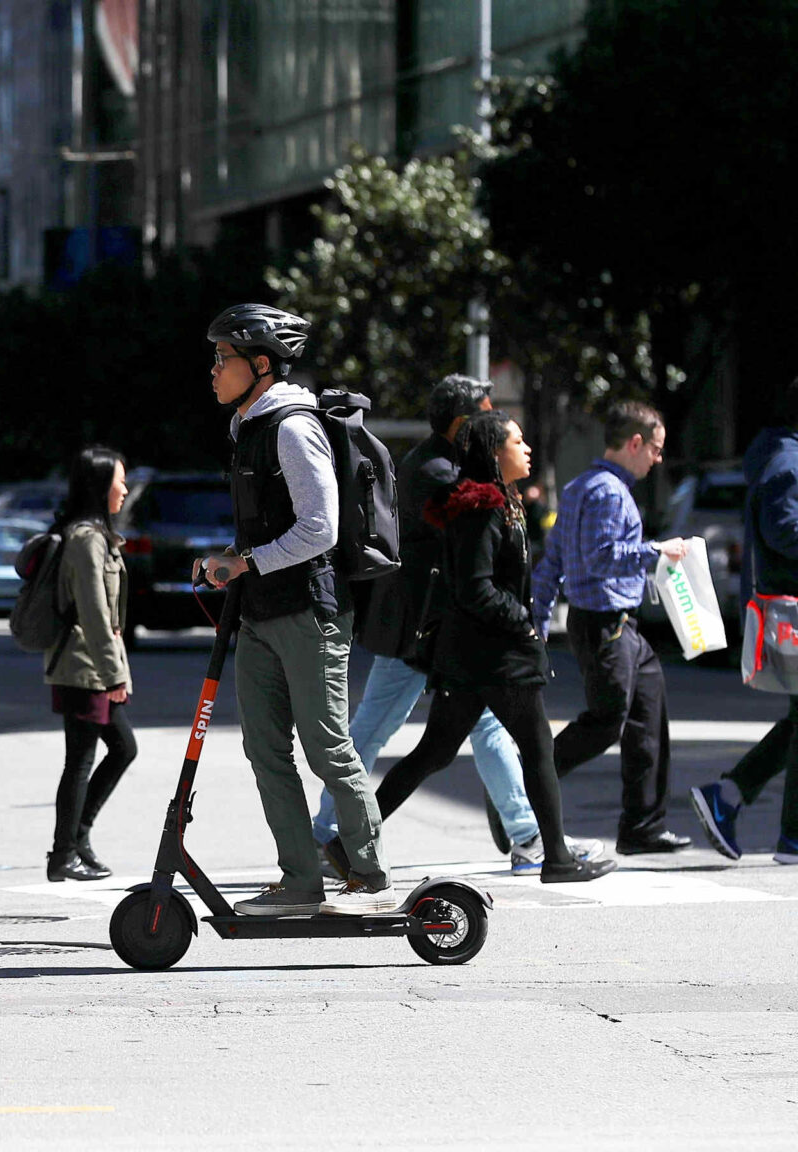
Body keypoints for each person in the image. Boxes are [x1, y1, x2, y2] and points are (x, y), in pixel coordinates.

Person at [311, 375, 596, 874]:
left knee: (457, 742)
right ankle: (330, 834)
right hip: (432, 632)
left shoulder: (464, 478)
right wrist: (523, 626)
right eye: (497, 422)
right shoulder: (457, 485)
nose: (515, 438)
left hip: (453, 637)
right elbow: (473, 581)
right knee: (380, 731)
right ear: (474, 430)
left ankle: (529, 835)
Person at [198, 303, 394, 916]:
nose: (213, 370)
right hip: (258, 613)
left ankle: (367, 869)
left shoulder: (292, 426)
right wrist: (229, 558)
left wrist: (247, 562)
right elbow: (269, 524)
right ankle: (300, 880)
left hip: (310, 612)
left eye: (222, 358)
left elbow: (320, 528)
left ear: (259, 365)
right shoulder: (245, 426)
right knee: (264, 749)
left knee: (326, 745)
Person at [373, 412, 616, 882]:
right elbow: (475, 588)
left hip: (474, 655)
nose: (526, 449)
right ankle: (558, 859)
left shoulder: (500, 502)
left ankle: (349, 842)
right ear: (494, 452)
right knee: (538, 748)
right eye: (517, 441)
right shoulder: (480, 508)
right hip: (494, 655)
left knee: (435, 752)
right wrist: (523, 624)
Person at [532, 400, 693, 855]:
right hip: (606, 624)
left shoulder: (583, 485)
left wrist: (540, 620)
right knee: (607, 721)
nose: (658, 460)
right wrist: (657, 551)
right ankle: (529, 788)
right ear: (635, 443)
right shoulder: (608, 492)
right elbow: (598, 558)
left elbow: (556, 561)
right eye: (656, 449)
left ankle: (642, 825)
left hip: (618, 624)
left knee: (649, 717)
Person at [690, 377, 798, 865]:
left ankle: (728, 795)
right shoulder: (787, 463)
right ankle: (792, 838)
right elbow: (785, 532)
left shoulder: (781, 455)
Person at [44, 446, 137, 882]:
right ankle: (64, 853)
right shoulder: (86, 539)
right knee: (81, 759)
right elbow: (96, 614)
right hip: (82, 666)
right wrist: (114, 673)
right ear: (101, 486)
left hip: (94, 664)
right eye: (120, 479)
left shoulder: (98, 536)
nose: (125, 488)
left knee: (120, 749)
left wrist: (117, 670)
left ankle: (76, 840)